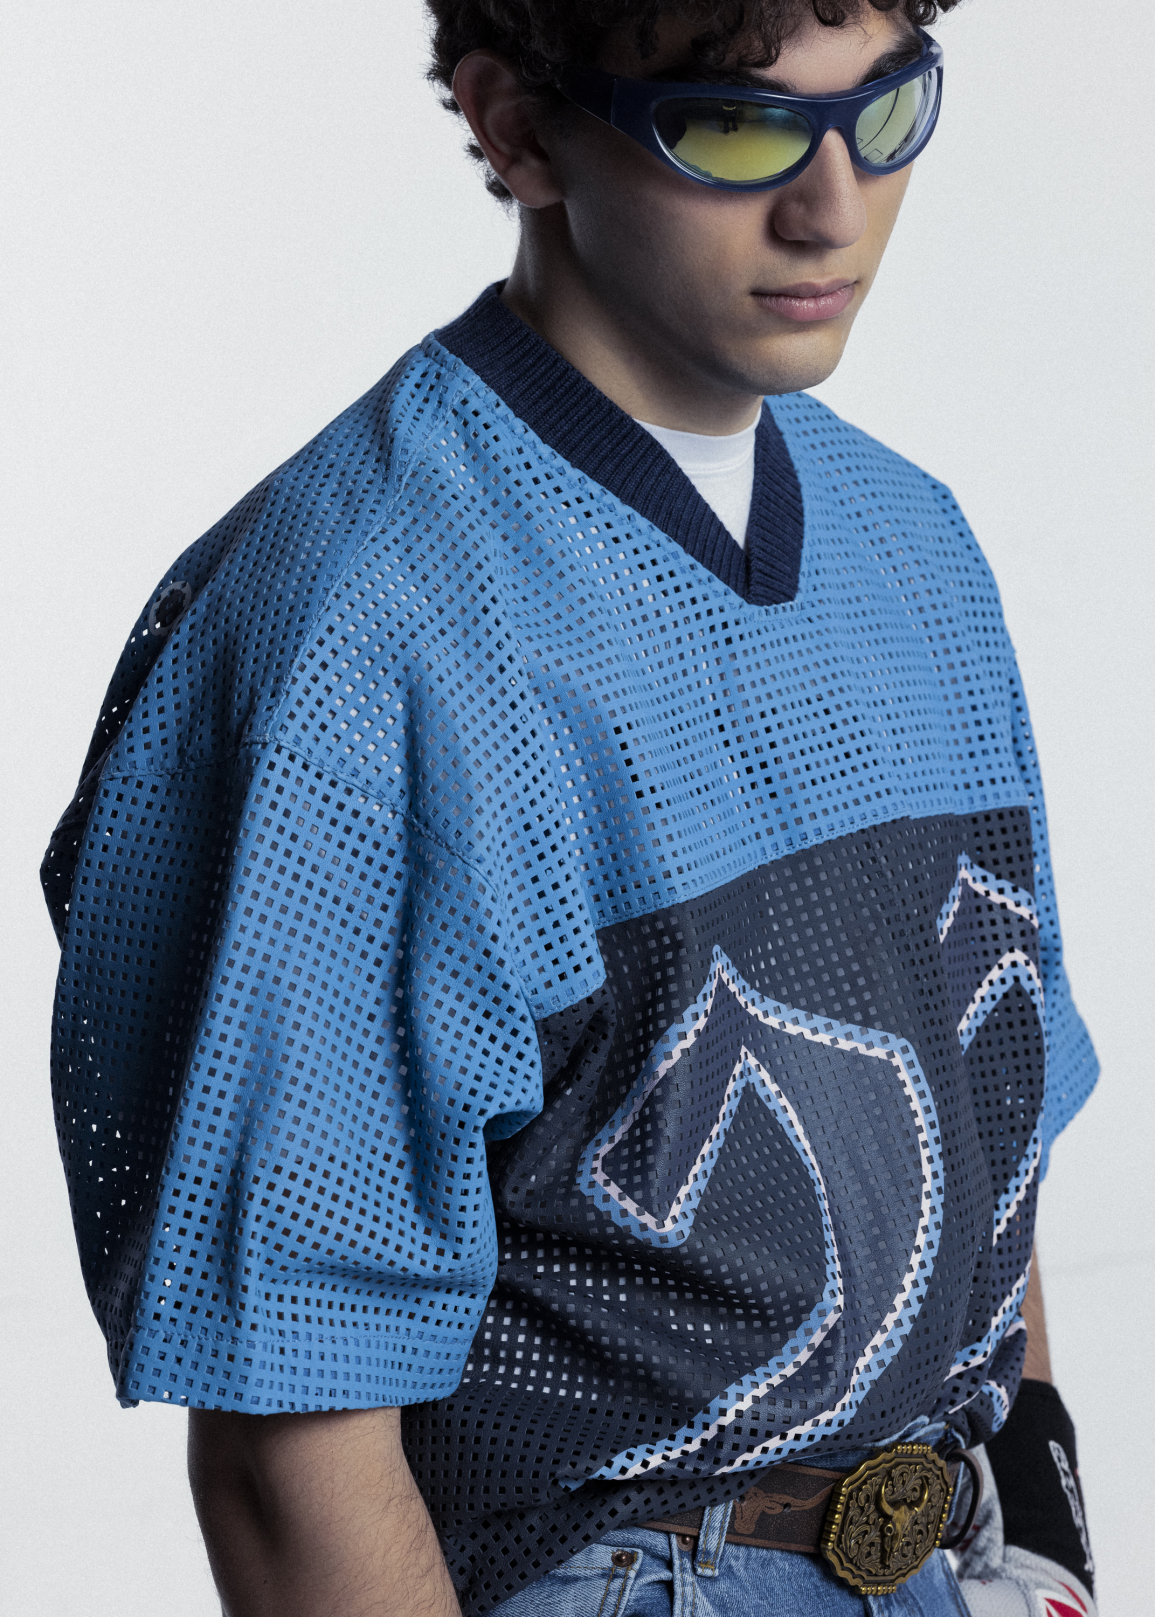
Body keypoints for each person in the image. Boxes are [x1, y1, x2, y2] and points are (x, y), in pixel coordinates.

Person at [41, 2, 1101, 1613]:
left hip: (949, 1552)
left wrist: (1046, 1530)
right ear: (517, 125)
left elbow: (984, 1111)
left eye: (885, 114)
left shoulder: (914, 541)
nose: (833, 208)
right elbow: (288, 1432)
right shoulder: (350, 640)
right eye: (737, 126)